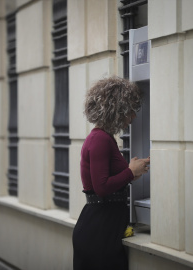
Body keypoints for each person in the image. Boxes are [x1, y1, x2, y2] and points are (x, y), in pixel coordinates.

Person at [72, 76, 150, 270]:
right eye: (130, 110)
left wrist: (131, 171)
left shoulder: (102, 137)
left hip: (102, 230)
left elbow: (105, 181)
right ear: (117, 110)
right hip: (99, 234)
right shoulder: (100, 140)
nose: (133, 117)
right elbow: (102, 187)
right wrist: (130, 173)